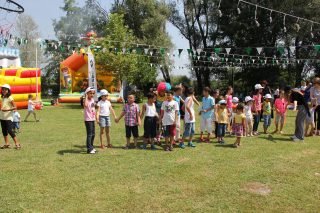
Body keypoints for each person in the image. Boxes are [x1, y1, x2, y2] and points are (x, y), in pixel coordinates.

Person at [0, 84, 21, 149]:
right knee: (4, 131)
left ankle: (17, 143)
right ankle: (7, 144)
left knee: (10, 130)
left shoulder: (10, 97)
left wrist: (7, 110)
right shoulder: (2, 97)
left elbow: (15, 107)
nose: (4, 90)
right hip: (2, 116)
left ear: (8, 90)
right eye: (3, 89)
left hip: (8, 117)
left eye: (5, 89)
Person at [83, 87, 96, 154]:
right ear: (87, 93)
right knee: (90, 134)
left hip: (92, 119)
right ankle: (89, 149)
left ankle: (91, 147)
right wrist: (85, 96)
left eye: (93, 93)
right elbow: (85, 105)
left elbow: (93, 107)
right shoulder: (86, 100)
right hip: (88, 120)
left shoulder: (92, 99)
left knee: (93, 134)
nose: (92, 94)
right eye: (90, 93)